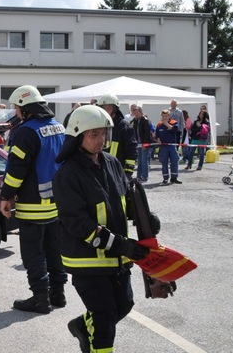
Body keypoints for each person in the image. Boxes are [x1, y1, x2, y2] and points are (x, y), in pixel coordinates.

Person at [53, 105, 150, 353]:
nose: (100, 140)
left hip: (117, 258)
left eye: (103, 133)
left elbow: (123, 201)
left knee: (124, 305)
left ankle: (84, 328)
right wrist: (121, 245)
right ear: (78, 136)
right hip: (87, 261)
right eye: (93, 134)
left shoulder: (111, 163)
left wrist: (146, 218)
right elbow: (78, 224)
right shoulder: (67, 174)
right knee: (105, 319)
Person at [0, 85, 67, 314]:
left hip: (32, 204)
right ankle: (58, 294)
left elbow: (16, 170)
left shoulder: (27, 131)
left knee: (33, 253)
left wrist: (6, 196)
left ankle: (40, 299)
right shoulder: (58, 126)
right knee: (53, 249)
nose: (16, 112)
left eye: (17, 108)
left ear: (25, 109)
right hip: (56, 202)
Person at [96, 94, 137, 178]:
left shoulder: (125, 128)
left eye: (108, 108)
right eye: (103, 108)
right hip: (99, 169)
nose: (105, 111)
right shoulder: (96, 125)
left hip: (117, 171)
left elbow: (131, 152)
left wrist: (127, 173)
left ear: (115, 109)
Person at [155, 109, 182, 184]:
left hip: (172, 145)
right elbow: (157, 135)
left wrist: (166, 124)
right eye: (163, 116)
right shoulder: (159, 124)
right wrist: (158, 139)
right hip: (163, 146)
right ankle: (165, 178)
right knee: (164, 162)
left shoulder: (173, 122)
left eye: (166, 116)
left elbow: (175, 130)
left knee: (174, 161)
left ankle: (174, 177)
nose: (164, 117)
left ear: (169, 116)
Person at [130, 106, 153, 182]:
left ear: (141, 112)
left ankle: (144, 176)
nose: (136, 114)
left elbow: (147, 133)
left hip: (144, 143)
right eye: (135, 113)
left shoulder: (145, 120)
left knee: (144, 160)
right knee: (139, 161)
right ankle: (138, 176)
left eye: (137, 113)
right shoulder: (135, 120)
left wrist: (145, 144)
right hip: (138, 143)